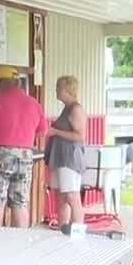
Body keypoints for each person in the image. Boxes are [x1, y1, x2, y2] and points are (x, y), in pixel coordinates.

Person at [0, 66, 47, 228]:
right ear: (17, 83)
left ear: (2, 83)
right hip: (25, 156)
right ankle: (20, 244)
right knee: (20, 202)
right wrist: (24, 139)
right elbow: (42, 130)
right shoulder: (33, 103)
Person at [46, 75, 87, 228]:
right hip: (59, 157)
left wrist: (56, 132)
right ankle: (63, 228)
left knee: (72, 194)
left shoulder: (76, 109)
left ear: (67, 90)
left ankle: (77, 228)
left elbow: (80, 135)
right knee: (62, 195)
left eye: (58, 87)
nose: (56, 90)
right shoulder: (66, 109)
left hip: (69, 158)